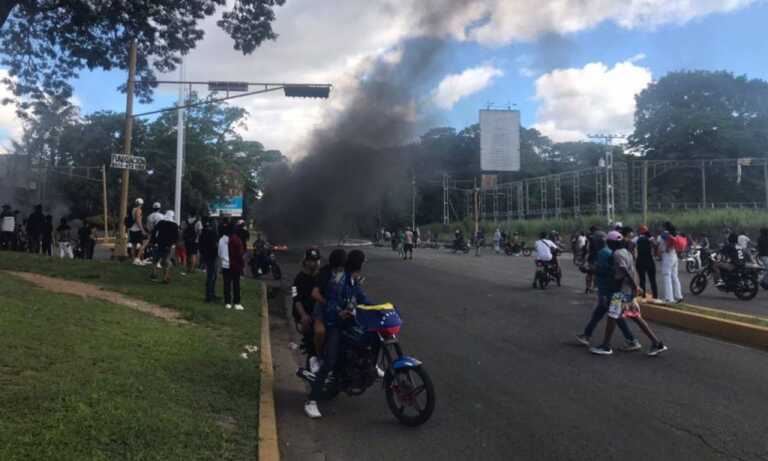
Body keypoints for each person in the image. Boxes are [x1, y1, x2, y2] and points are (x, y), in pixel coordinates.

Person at [305, 249, 372, 419]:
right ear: (359, 264)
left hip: (349, 322)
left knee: (370, 335)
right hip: (335, 324)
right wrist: (340, 312)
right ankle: (311, 401)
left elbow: (362, 298)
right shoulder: (338, 281)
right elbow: (330, 304)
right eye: (363, 262)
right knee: (329, 361)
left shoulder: (353, 280)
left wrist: (380, 308)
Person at [590, 231, 668, 356]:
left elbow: (624, 271)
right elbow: (633, 270)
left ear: (611, 242)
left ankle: (606, 346)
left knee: (612, 317)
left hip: (620, 292)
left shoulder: (616, 254)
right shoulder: (627, 253)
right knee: (635, 317)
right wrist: (635, 288)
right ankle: (657, 343)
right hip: (627, 292)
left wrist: (635, 286)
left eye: (608, 242)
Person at [576, 230, 640, 352]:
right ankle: (587, 335)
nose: (592, 242)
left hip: (609, 289)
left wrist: (589, 271)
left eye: (594, 240)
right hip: (612, 289)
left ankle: (623, 341)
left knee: (615, 315)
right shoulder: (609, 252)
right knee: (605, 314)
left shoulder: (604, 253)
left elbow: (608, 272)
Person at [308, 248, 347, 378]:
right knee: (320, 332)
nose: (340, 270)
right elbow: (315, 293)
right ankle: (318, 356)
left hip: (341, 308)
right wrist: (328, 303)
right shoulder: (324, 273)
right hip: (322, 309)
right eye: (339, 267)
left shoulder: (346, 273)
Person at [293, 248, 322, 372]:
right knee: (312, 336)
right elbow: (296, 300)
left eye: (315, 261)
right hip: (304, 315)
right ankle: (314, 358)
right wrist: (303, 315)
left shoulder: (322, 277)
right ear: (305, 261)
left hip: (320, 314)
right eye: (310, 261)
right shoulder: (298, 279)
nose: (313, 263)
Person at [221, 222, 245, 310]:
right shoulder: (236, 240)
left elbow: (220, 253)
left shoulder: (222, 240)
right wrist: (242, 264)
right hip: (235, 265)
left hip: (225, 264)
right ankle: (236, 303)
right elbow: (239, 254)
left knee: (226, 284)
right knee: (236, 284)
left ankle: (227, 302)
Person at [151, 211, 180, 283]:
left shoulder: (161, 223)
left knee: (155, 259)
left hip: (159, 243)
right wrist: (173, 244)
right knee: (166, 261)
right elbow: (176, 237)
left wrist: (153, 241)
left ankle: (154, 273)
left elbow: (154, 231)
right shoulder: (175, 225)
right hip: (168, 245)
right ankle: (165, 277)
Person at [659, 222, 683, 303]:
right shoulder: (675, 233)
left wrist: (667, 248)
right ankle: (678, 296)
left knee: (667, 277)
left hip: (667, 256)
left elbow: (666, 241)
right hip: (674, 256)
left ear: (664, 227)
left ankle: (669, 298)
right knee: (675, 276)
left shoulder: (664, 234)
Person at [634, 225, 658, 299]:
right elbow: (656, 245)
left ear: (639, 231)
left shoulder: (636, 238)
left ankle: (643, 295)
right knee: (653, 280)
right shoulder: (650, 238)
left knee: (642, 280)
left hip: (640, 260)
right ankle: (655, 296)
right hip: (649, 259)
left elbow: (631, 246)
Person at [199, 218, 220, 302]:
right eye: (216, 224)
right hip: (212, 256)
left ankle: (211, 293)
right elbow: (215, 245)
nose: (217, 225)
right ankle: (209, 295)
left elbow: (201, 244)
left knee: (212, 276)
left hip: (207, 255)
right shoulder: (213, 233)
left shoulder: (204, 232)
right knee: (211, 276)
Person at [128, 198, 147, 265]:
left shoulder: (132, 209)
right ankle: (138, 258)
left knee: (133, 245)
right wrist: (142, 230)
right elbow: (138, 221)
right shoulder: (138, 210)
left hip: (131, 229)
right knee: (144, 244)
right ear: (141, 204)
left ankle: (133, 260)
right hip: (137, 229)